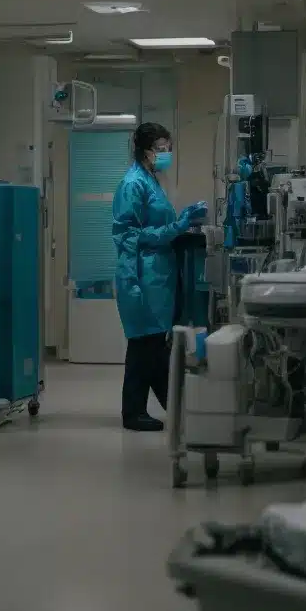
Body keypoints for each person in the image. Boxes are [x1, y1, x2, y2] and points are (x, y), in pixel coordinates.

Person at [111, 122, 207, 432]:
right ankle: (137, 412)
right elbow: (128, 236)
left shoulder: (152, 180)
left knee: (151, 345)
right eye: (161, 150)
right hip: (143, 275)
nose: (166, 155)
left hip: (158, 275)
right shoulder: (133, 184)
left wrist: (183, 225)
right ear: (145, 151)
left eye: (169, 149)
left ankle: (170, 407)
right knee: (145, 346)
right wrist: (177, 227)